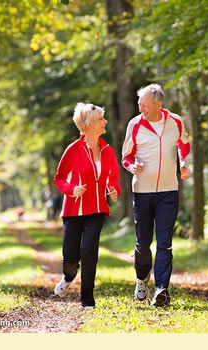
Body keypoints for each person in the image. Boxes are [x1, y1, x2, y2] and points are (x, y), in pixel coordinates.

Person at [122, 83, 191, 307]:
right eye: (139, 104)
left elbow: (184, 144)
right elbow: (126, 157)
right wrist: (133, 167)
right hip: (142, 191)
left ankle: (161, 289)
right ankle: (142, 279)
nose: (140, 108)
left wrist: (184, 164)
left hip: (168, 191)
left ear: (158, 105)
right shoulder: (135, 124)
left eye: (144, 105)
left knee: (165, 242)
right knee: (143, 244)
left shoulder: (176, 121)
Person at [53, 103, 120, 309]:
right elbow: (59, 178)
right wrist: (72, 189)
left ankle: (87, 300)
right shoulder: (73, 150)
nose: (105, 121)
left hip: (97, 209)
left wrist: (114, 189)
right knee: (70, 258)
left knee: (89, 252)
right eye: (101, 119)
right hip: (73, 210)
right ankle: (68, 276)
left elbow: (113, 177)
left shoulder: (107, 150)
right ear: (89, 124)